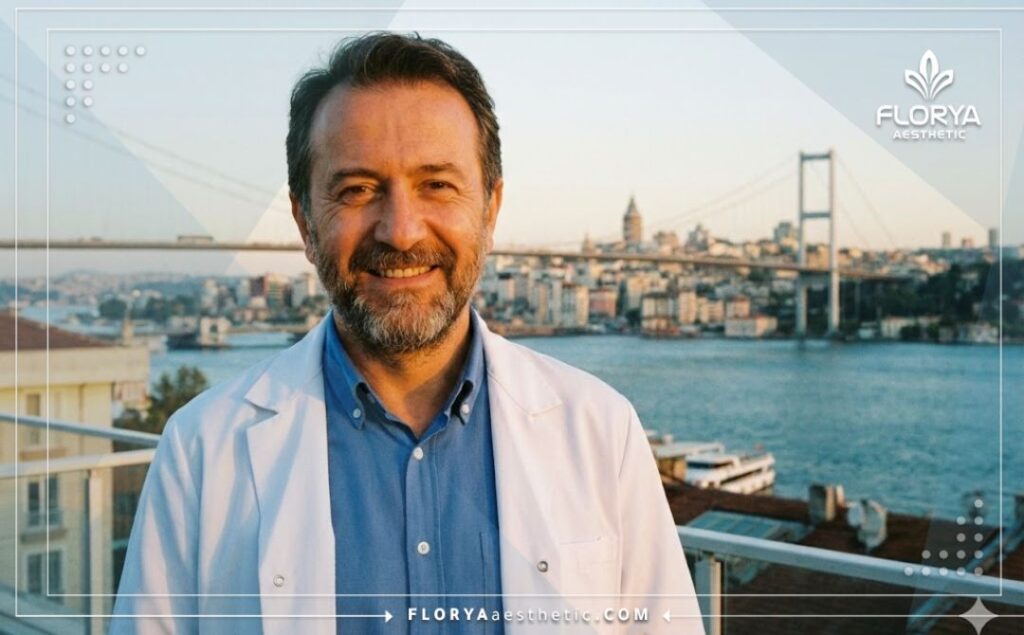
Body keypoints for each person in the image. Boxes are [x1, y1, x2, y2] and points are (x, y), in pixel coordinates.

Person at [112, 33, 703, 634]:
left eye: (437, 185)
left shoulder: (602, 431)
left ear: (490, 210)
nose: (400, 231)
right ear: (305, 222)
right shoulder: (201, 450)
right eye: (357, 189)